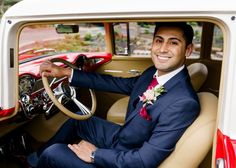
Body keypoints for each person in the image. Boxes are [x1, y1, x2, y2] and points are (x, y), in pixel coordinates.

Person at [30, 22, 200, 168]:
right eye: (159, 40)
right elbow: (116, 83)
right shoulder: (153, 73)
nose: (163, 49)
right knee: (79, 119)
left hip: (128, 159)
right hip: (124, 139)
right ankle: (36, 159)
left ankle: (44, 160)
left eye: (173, 43)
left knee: (54, 153)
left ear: (188, 49)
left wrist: (94, 155)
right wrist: (66, 73)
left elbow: (143, 161)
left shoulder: (184, 102)